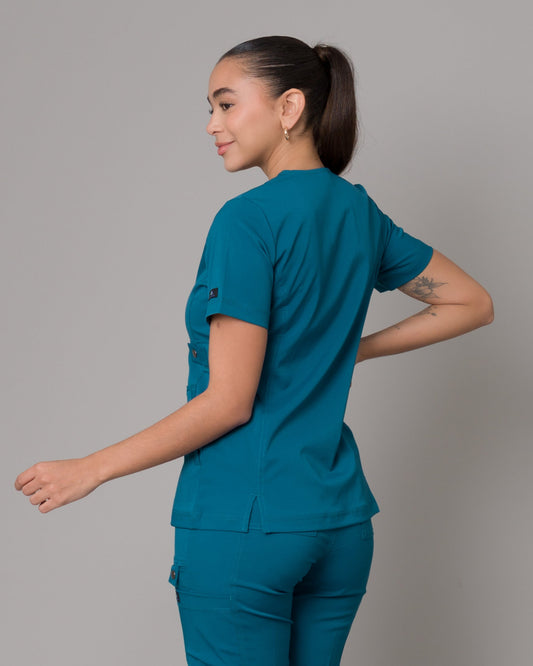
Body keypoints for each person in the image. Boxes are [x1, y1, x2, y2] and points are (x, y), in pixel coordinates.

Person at [15, 35, 494, 666]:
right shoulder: (358, 212)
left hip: (245, 524)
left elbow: (229, 402)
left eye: (226, 104)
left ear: (289, 106)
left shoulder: (247, 220)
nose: (212, 125)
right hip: (339, 523)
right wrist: (347, 350)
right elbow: (471, 302)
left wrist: (91, 468)